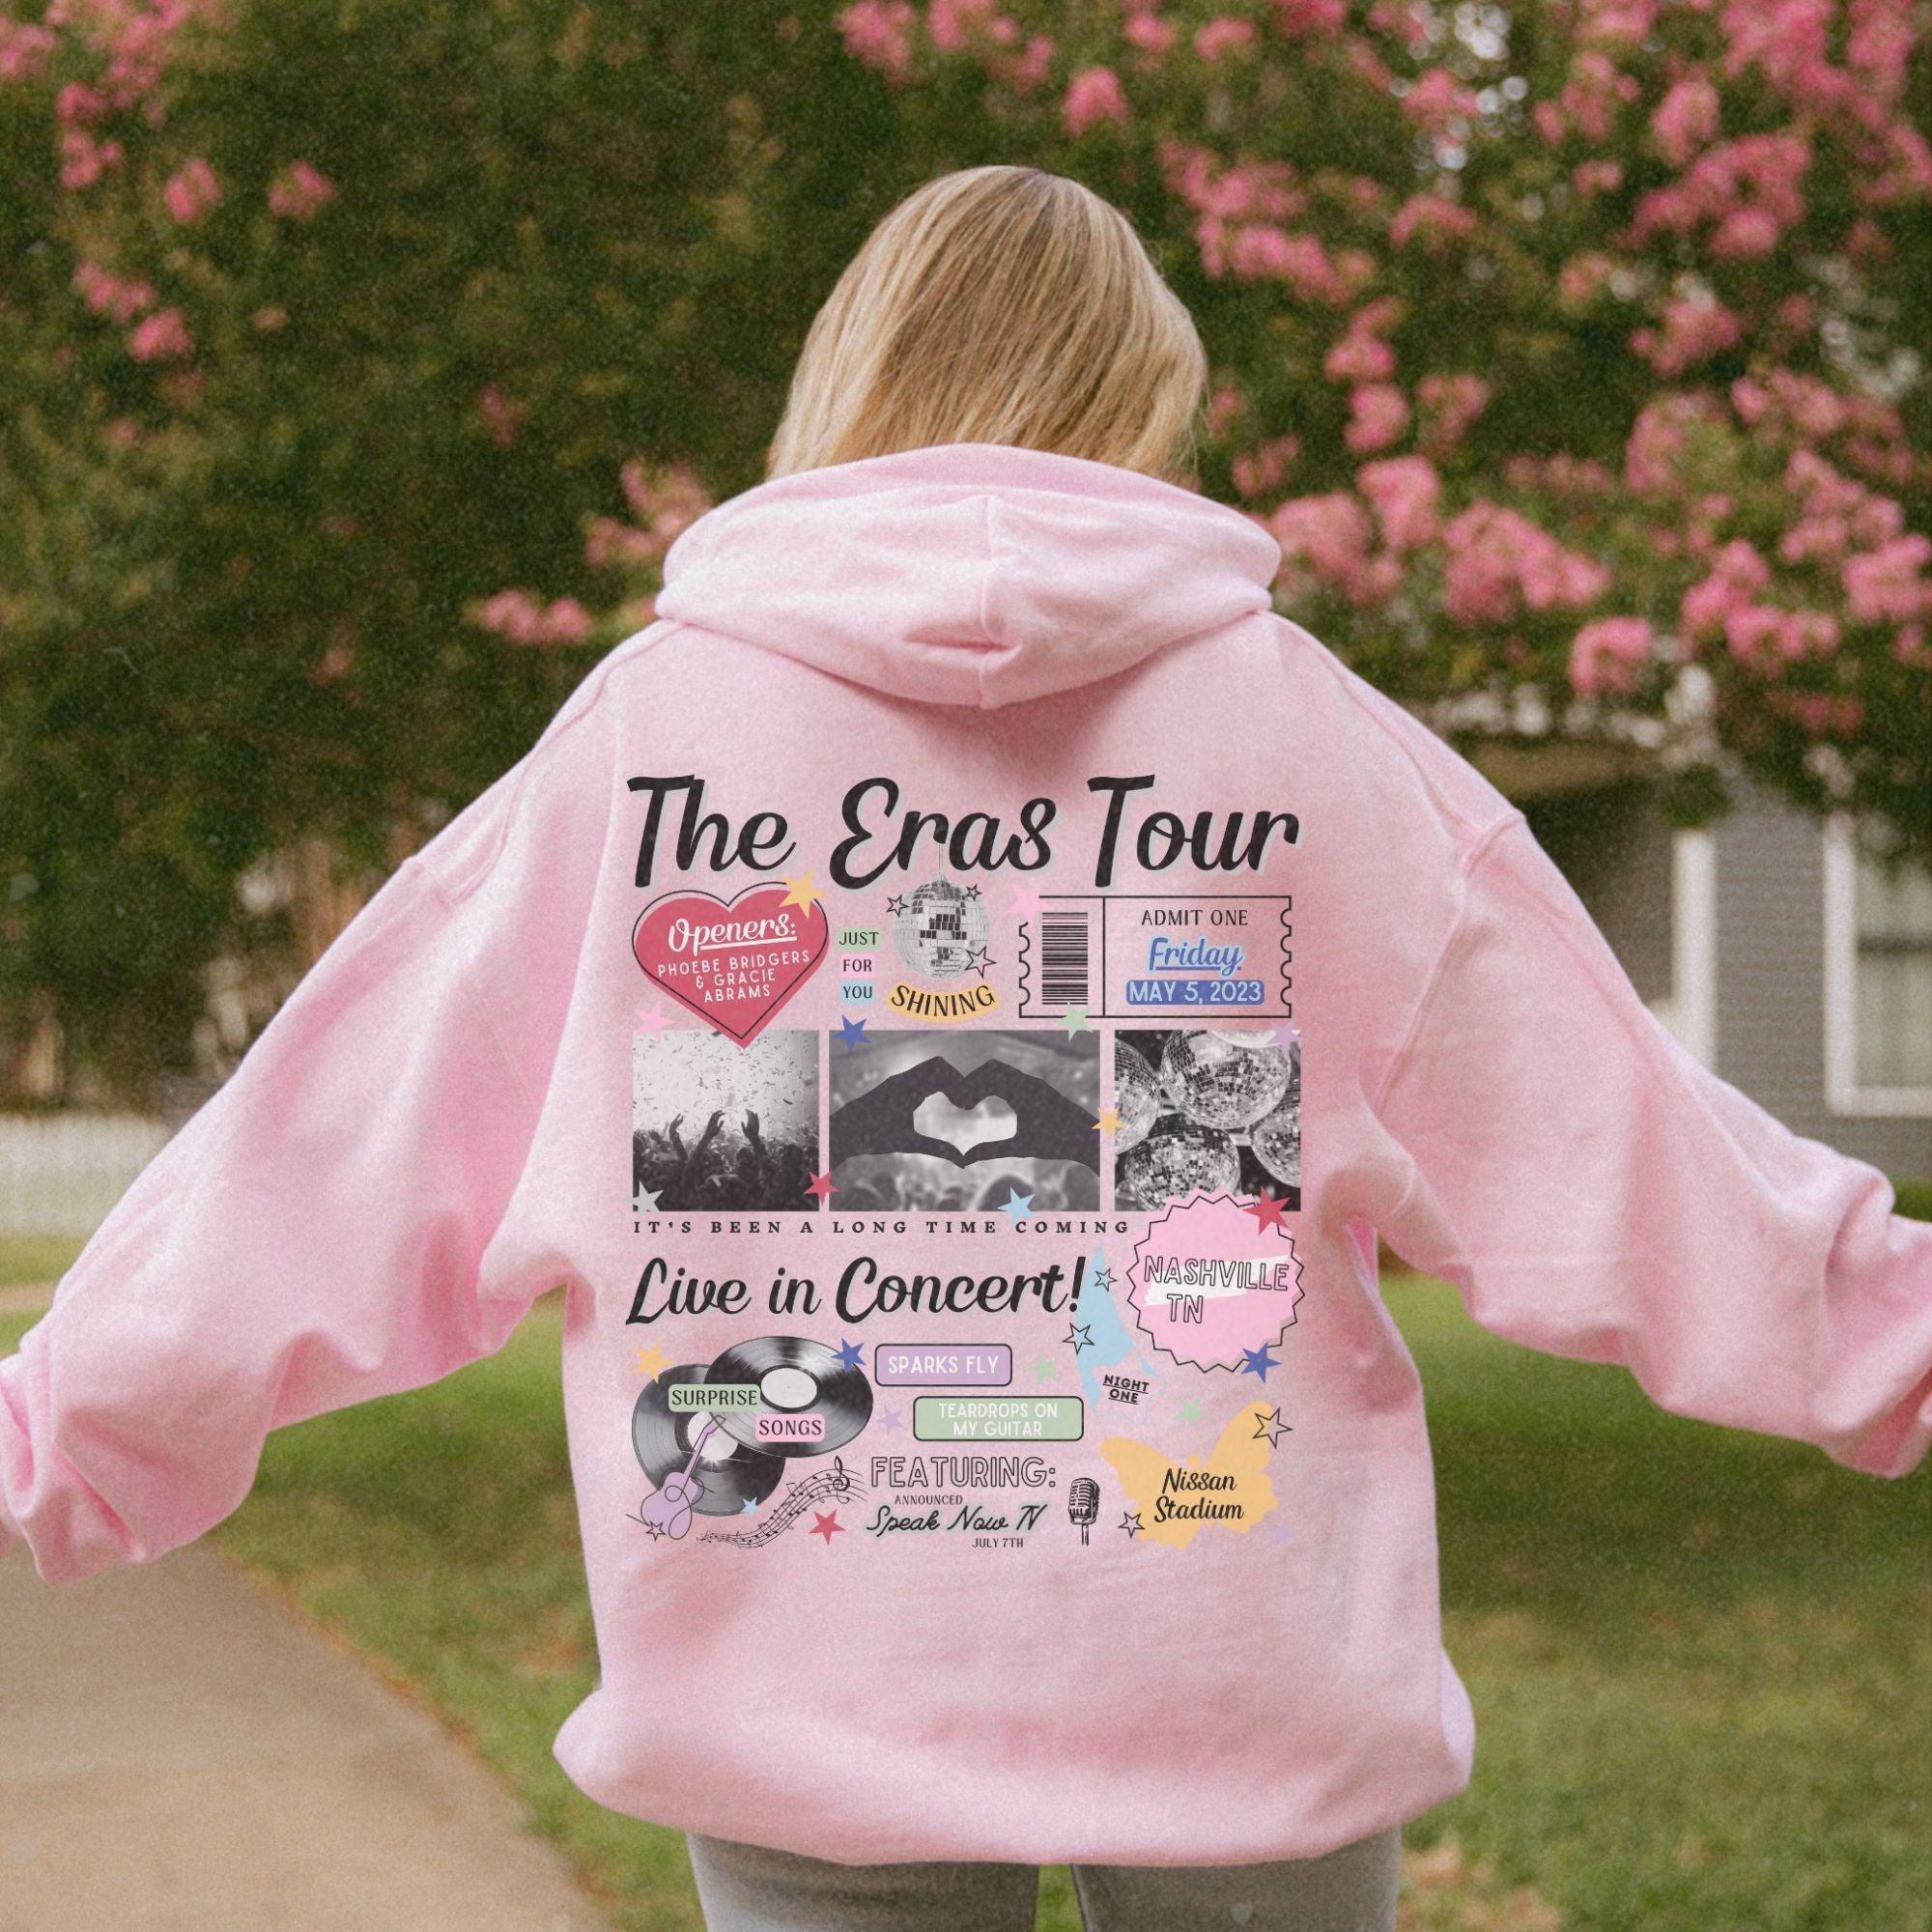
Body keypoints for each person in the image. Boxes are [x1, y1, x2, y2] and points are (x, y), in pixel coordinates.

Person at [3, 166, 1926, 1932]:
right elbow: (1612, 1138)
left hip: (803, 1679)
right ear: (1137, 405)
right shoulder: (1310, 741)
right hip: (1239, 1687)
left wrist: (56, 1439)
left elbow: (331, 1145)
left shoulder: (642, 742)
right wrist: (1885, 1333)